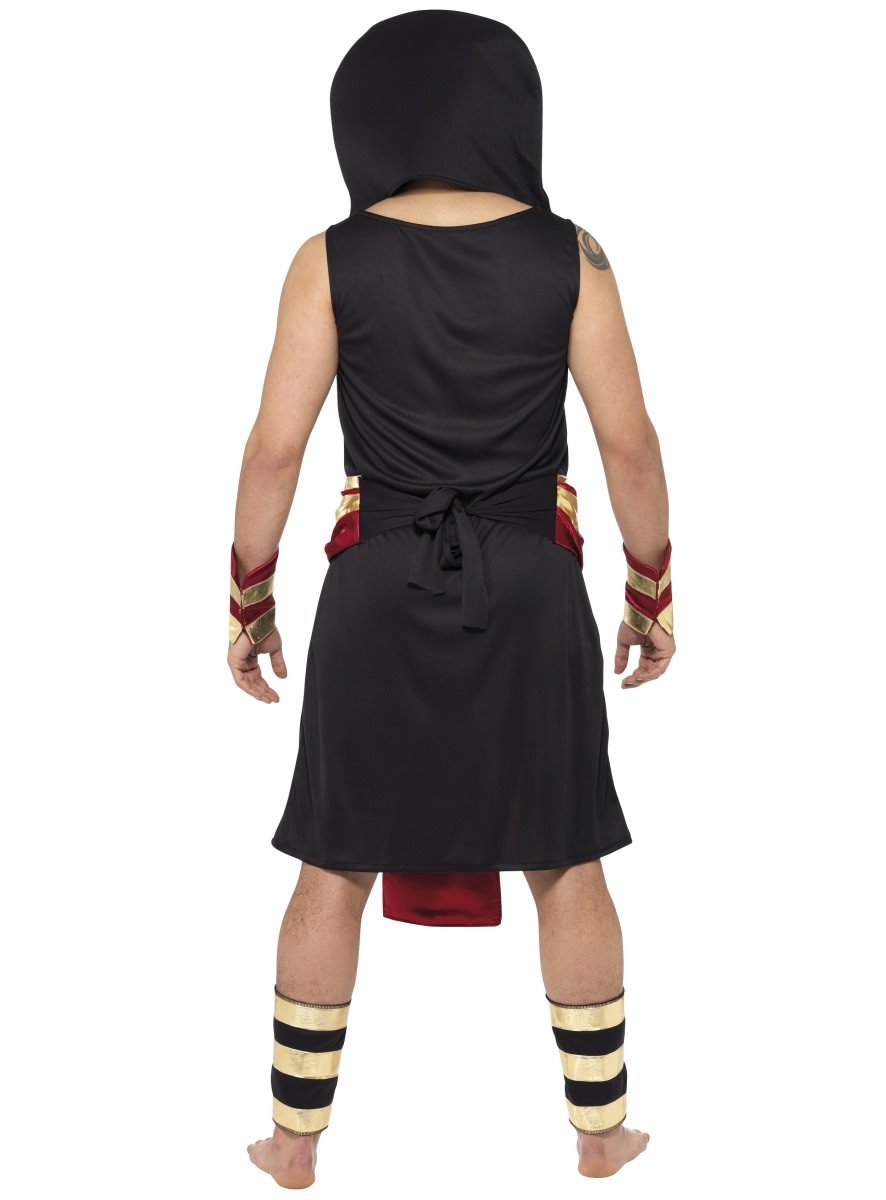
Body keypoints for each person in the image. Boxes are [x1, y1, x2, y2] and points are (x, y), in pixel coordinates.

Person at [228, 10, 674, 1189]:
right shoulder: (572, 253)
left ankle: (292, 1143)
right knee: (567, 857)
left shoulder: (328, 257)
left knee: (333, 860)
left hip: (375, 587)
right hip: (532, 585)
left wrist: (249, 597)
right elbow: (629, 443)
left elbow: (275, 451)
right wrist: (651, 587)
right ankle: (599, 1133)